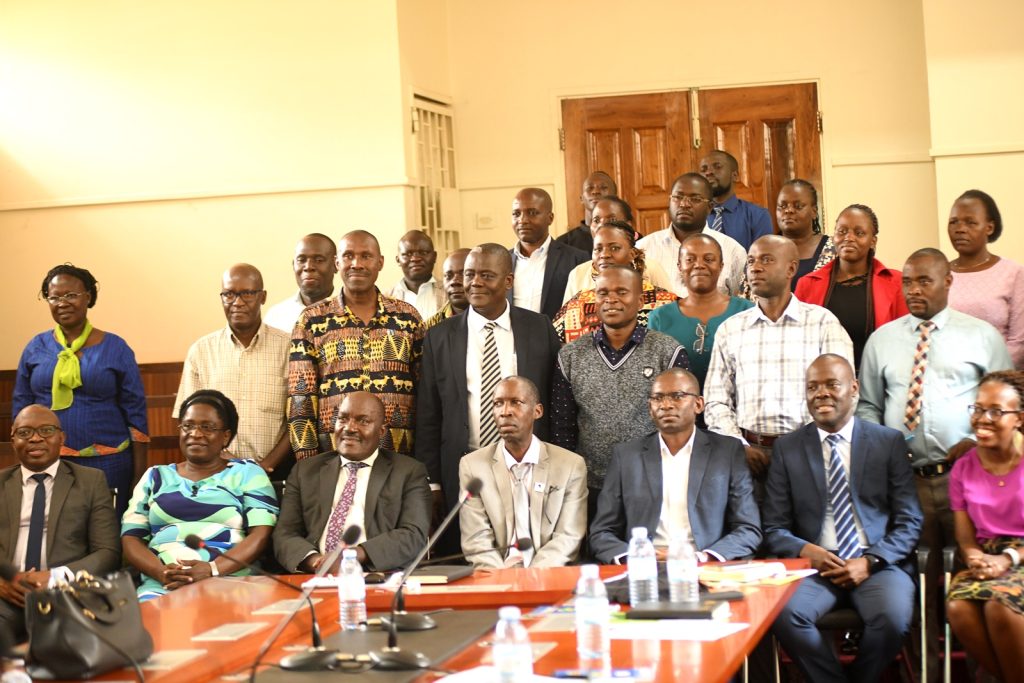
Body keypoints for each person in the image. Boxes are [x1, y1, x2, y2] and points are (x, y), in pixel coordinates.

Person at [857, 248, 1013, 677]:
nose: (914, 290)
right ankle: (922, 674)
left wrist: (974, 441)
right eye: (908, 282)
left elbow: (1007, 402)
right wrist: (883, 446)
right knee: (915, 588)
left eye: (924, 281)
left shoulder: (981, 336)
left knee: (974, 583)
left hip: (966, 481)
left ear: (948, 282)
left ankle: (987, 674)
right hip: (904, 482)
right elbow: (868, 407)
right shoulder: (882, 340)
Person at [764, 354, 922, 683]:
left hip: (877, 564)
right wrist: (810, 552)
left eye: (832, 385)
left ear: (854, 389)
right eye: (812, 387)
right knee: (786, 614)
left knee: (892, 618)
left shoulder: (887, 442)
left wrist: (871, 561)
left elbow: (909, 522)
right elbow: (774, 527)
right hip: (815, 567)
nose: (821, 393)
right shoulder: (788, 448)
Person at [416, 244, 561, 553]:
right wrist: (433, 482)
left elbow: (553, 402)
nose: (475, 283)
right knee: (468, 559)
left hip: (528, 468)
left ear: (508, 281)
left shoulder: (540, 328)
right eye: (469, 275)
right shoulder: (440, 337)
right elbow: (429, 412)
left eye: (486, 275)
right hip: (463, 469)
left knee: (528, 556)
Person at [704, 235, 853, 491]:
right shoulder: (731, 330)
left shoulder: (822, 323)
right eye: (750, 261)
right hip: (749, 458)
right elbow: (715, 399)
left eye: (766, 260)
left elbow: (845, 394)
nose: (755, 267)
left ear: (791, 268)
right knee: (752, 530)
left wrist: (816, 443)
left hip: (810, 454)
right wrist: (738, 446)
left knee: (808, 530)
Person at [13, 264, 148, 517]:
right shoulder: (35, 348)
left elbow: (136, 415)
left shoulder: (116, 347)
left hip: (109, 463)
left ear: (88, 296)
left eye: (71, 295)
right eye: (54, 297)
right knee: (53, 534)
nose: (62, 302)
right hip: (49, 462)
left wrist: (139, 477)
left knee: (106, 535)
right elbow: (21, 409)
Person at [550, 266, 689, 512]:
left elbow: (684, 425)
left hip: (654, 483)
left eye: (621, 292)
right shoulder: (571, 355)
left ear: (639, 300)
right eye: (603, 293)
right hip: (590, 487)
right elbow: (562, 427)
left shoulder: (667, 351)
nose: (611, 299)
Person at [589, 369, 761, 564]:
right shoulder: (627, 456)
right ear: (649, 407)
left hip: (705, 565)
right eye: (657, 398)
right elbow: (602, 532)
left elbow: (748, 528)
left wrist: (702, 557)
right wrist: (636, 557)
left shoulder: (727, 452)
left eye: (677, 396)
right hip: (644, 569)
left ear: (698, 404)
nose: (666, 405)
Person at [122, 390, 279, 600]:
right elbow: (131, 538)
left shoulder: (247, 473)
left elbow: (260, 535)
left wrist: (212, 569)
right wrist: (162, 572)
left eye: (207, 427)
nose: (195, 433)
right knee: (152, 627)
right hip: (163, 584)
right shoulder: (155, 476)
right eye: (188, 426)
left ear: (225, 436)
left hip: (231, 581)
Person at [287, 230, 423, 460]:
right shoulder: (312, 320)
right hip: (332, 459)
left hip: (398, 457)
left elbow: (424, 393)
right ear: (337, 262)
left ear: (380, 262)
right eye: (348, 256)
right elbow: (301, 398)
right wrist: (308, 465)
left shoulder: (407, 317)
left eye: (366, 256)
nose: (356, 264)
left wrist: (423, 460)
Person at [0, 405, 120, 645]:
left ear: (61, 438)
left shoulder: (90, 481)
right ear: (13, 440)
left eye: (46, 430)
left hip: (66, 594)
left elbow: (108, 553)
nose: (35, 438)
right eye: (24, 433)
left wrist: (55, 577)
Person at [274, 392, 432, 573]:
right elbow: (284, 534)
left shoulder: (408, 472)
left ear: (381, 431)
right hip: (315, 576)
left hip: (378, 576)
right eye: (342, 419)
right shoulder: (305, 471)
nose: (349, 428)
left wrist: (353, 555)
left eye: (363, 421)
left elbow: (413, 535)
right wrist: (316, 561)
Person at [174, 264, 292, 478]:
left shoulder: (289, 348)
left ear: (263, 297)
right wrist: (221, 459)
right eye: (229, 294)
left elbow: (298, 417)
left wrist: (267, 465)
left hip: (275, 473)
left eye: (247, 293)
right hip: (215, 474)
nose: (237, 302)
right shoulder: (201, 350)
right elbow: (187, 419)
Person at [459, 376, 587, 568]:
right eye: (498, 404)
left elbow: (568, 537)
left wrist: (531, 579)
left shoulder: (570, 465)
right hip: (496, 578)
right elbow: (476, 539)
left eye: (516, 403)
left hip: (548, 575)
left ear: (537, 411)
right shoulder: (473, 466)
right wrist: (502, 582)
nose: (505, 412)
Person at [946, 371, 1024, 682]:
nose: (982, 419)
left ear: (1019, 418)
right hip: (987, 557)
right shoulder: (963, 467)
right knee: (959, 607)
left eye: (996, 411)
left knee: (998, 606)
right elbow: (966, 540)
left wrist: (1007, 560)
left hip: (1018, 556)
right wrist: (975, 556)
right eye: (978, 409)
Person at [794, 204, 908, 369]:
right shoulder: (808, 284)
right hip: (827, 386)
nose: (849, 237)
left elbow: (905, 341)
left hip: (879, 384)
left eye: (859, 233)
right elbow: (799, 342)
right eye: (842, 231)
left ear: (872, 241)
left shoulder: (896, 282)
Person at [648, 233, 754, 392]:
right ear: (679, 266)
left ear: (721, 266)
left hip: (736, 408)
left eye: (709, 259)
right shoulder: (660, 317)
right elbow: (655, 375)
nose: (699, 265)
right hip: (679, 412)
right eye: (690, 259)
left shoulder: (746, 311)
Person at [553, 221, 677, 344]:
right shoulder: (576, 305)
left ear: (632, 254)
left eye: (614, 248)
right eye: (598, 249)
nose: (604, 255)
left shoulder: (664, 302)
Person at [947, 190, 1024, 368]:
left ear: (989, 227)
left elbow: (1018, 341)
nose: (960, 229)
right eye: (953, 222)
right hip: (947, 382)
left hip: (999, 382)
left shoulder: (1013, 273)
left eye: (971, 222)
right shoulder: (940, 273)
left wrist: (990, 379)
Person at [636, 173, 746, 298]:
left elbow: (742, 306)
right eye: (678, 197)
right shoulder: (643, 248)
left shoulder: (732, 250)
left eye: (695, 199)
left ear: (710, 207)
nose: (684, 204)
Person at [562, 197, 675, 303]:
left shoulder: (651, 268)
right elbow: (566, 320)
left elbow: (671, 312)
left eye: (612, 220)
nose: (602, 225)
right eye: (596, 220)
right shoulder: (578, 274)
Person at [508, 187, 591, 319]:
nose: (522, 220)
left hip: (557, 338)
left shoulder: (576, 258)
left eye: (532, 213)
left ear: (550, 218)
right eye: (516, 214)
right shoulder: (502, 261)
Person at [699, 150, 773, 250]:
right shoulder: (696, 215)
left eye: (717, 167)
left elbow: (763, 258)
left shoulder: (757, 215)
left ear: (735, 176)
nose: (708, 172)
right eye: (703, 170)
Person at [264, 233, 338, 333]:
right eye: (301, 260)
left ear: (336, 265)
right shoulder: (275, 317)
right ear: (293, 265)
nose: (308, 267)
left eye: (319, 260)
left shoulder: (353, 312)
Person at [776, 179, 835, 290]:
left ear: (814, 211)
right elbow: (745, 297)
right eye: (782, 206)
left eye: (798, 206)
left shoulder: (834, 249)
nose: (788, 210)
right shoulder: (762, 250)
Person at [387, 229, 445, 320]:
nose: (415, 258)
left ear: (434, 257)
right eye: (408, 254)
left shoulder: (448, 294)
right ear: (398, 260)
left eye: (423, 253)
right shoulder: (385, 298)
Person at [556, 171, 617, 254]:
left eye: (603, 188)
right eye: (590, 188)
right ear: (581, 198)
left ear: (615, 197)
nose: (595, 191)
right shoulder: (563, 243)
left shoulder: (630, 238)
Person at [423, 248, 470, 329]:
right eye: (448, 276)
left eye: (463, 274)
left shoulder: (495, 318)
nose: (454, 282)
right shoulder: (431, 328)